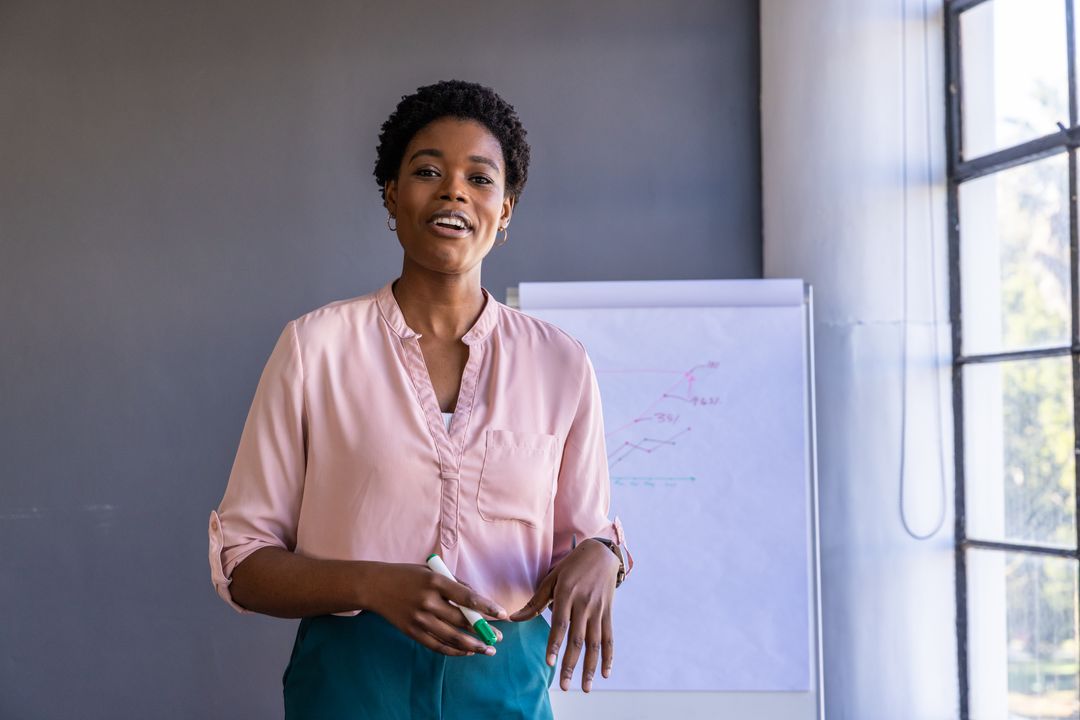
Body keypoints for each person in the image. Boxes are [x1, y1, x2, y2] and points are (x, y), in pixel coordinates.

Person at [208, 79, 632, 719]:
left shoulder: (561, 364)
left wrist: (605, 554)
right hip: (352, 689)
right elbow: (242, 563)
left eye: (479, 179)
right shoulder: (314, 349)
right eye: (427, 171)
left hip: (505, 689)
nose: (453, 191)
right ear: (391, 193)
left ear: (506, 210)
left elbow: (586, 538)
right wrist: (373, 584)